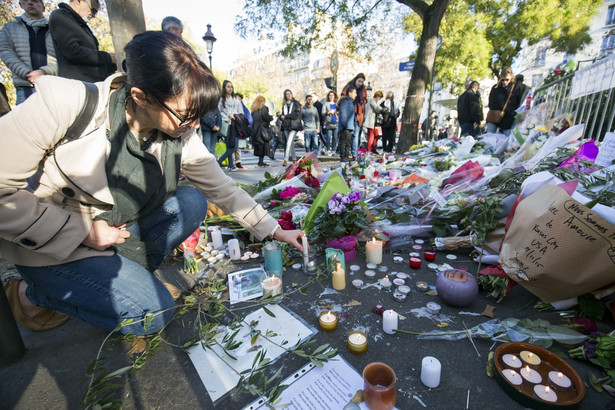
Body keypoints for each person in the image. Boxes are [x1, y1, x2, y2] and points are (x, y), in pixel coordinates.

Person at [0, 31, 304, 336]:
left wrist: (275, 230)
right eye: (186, 116)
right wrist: (81, 231)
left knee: (192, 202)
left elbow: (222, 188)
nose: (194, 125)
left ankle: (128, 280)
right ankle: (33, 294)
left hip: (116, 236)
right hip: (56, 245)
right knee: (153, 314)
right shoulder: (64, 104)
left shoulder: (179, 131)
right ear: (141, 97)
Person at [0, 0, 57, 105]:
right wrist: (26, 73)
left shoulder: (56, 30)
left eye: (35, 0)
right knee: (25, 121)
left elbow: (65, 58)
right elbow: (5, 52)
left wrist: (45, 71)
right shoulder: (10, 27)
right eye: (26, 0)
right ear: (21, 4)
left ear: (43, 7)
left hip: (53, 86)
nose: (30, 2)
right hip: (25, 87)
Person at [49, 0, 116, 82]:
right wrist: (106, 57)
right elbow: (72, 52)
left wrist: (111, 63)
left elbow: (91, 59)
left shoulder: (82, 26)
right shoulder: (60, 16)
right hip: (78, 85)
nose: (94, 15)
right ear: (78, 2)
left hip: (92, 83)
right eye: (93, 10)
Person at [487, 67, 522, 135]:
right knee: (489, 137)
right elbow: (490, 102)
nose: (504, 82)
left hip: (508, 118)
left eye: (507, 80)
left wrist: (512, 113)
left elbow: (518, 102)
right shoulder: (495, 87)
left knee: (507, 139)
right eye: (502, 80)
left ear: (511, 77)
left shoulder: (516, 87)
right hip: (495, 115)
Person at [217, 79, 243, 170]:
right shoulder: (221, 100)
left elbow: (241, 114)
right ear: (224, 88)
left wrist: (235, 116)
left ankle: (219, 161)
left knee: (234, 146)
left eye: (231, 87)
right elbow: (218, 113)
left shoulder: (236, 101)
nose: (230, 88)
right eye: (228, 87)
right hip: (225, 124)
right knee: (229, 145)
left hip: (234, 125)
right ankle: (231, 165)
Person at [341, 73, 367, 157]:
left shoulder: (363, 89)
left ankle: (354, 153)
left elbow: (364, 100)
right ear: (355, 79)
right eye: (359, 81)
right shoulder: (348, 87)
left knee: (356, 134)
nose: (360, 83)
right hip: (349, 113)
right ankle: (346, 153)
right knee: (348, 134)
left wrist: (361, 106)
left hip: (358, 114)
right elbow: (343, 98)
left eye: (361, 82)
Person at [279, 89, 302, 166]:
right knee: (290, 143)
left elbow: (297, 115)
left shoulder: (296, 103)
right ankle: (294, 159)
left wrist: (285, 116)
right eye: (287, 94)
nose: (289, 95)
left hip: (294, 126)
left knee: (289, 143)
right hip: (286, 126)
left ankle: (285, 159)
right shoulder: (284, 105)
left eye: (290, 94)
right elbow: (282, 115)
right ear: (285, 96)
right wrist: (280, 116)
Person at [251, 95, 273, 167]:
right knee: (263, 146)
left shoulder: (254, 109)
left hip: (256, 130)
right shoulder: (264, 108)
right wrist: (271, 117)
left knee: (259, 147)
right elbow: (266, 117)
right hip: (263, 130)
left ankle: (260, 161)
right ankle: (261, 161)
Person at [363, 89, 388, 154]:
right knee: (371, 136)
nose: (379, 99)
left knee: (376, 136)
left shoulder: (375, 101)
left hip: (374, 123)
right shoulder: (371, 100)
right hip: (370, 122)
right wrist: (383, 109)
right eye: (379, 98)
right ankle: (369, 149)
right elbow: (376, 108)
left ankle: (374, 148)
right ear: (377, 96)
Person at [338, 84, 357, 162]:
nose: (356, 95)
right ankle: (343, 156)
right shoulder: (345, 101)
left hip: (349, 126)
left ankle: (346, 155)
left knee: (348, 142)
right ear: (350, 93)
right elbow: (343, 112)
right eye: (354, 93)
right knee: (344, 142)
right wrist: (344, 124)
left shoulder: (350, 102)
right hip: (345, 126)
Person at [321, 90, 338, 156]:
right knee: (328, 137)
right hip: (329, 122)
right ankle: (328, 150)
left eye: (332, 95)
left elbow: (340, 112)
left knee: (335, 137)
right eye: (330, 95)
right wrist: (328, 112)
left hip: (336, 122)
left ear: (334, 96)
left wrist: (337, 112)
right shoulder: (325, 104)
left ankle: (334, 150)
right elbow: (322, 113)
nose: (331, 97)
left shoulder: (337, 104)